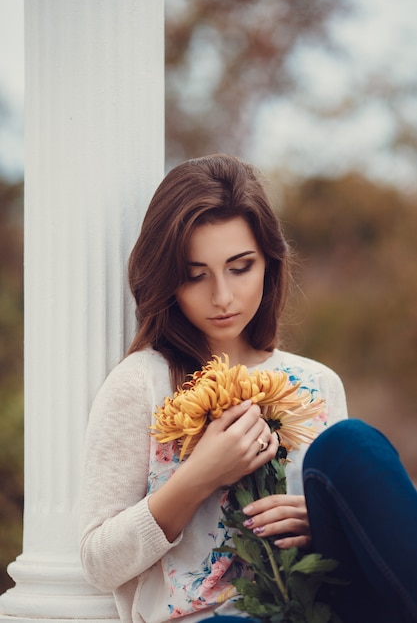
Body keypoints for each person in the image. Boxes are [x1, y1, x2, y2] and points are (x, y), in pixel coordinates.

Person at [79, 153, 348, 623]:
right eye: (194, 275)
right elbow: (99, 564)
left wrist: (324, 527)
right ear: (168, 279)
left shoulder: (319, 384)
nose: (221, 297)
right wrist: (198, 475)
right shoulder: (142, 382)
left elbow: (348, 558)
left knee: (361, 451)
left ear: (269, 262)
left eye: (240, 267)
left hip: (314, 610)